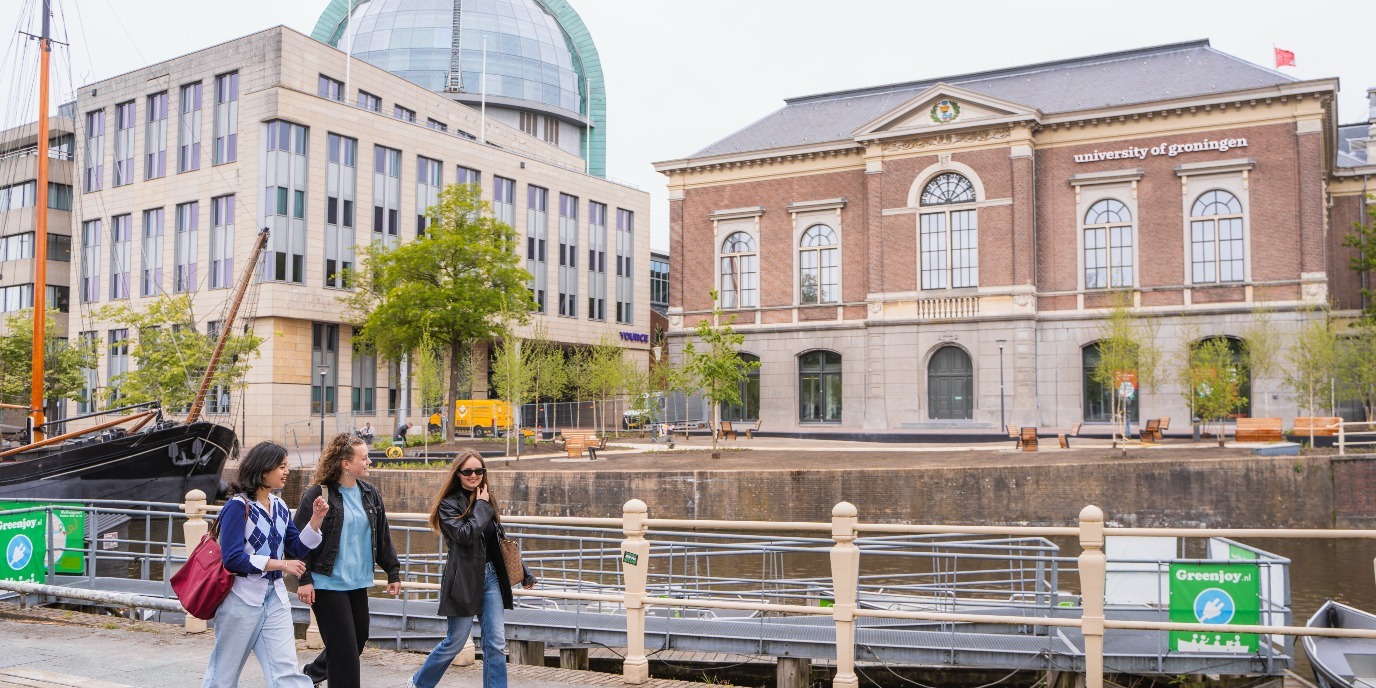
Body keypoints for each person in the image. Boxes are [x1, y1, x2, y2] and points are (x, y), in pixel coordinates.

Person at [202, 441, 328, 688]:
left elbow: (297, 548)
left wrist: (315, 521)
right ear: (262, 471)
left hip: (274, 600)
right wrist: (280, 565)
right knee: (223, 676)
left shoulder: (280, 506)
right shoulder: (238, 507)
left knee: (286, 673)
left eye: (286, 466)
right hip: (241, 599)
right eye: (281, 466)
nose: (286, 471)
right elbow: (233, 559)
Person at [409, 450, 535, 688]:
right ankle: (418, 683)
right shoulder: (449, 505)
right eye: (468, 471)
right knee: (454, 643)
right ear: (458, 474)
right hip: (463, 580)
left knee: (496, 642)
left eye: (479, 470)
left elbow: (498, 541)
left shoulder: (485, 499)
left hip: (492, 578)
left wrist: (524, 570)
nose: (474, 475)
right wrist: (481, 506)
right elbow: (465, 535)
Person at [295, 433, 402, 688]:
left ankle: (310, 675)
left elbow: (382, 535)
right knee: (344, 652)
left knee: (357, 639)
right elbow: (297, 541)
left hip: (357, 582)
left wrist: (393, 572)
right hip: (326, 582)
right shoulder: (317, 495)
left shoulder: (370, 494)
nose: (368, 463)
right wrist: (304, 579)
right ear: (345, 463)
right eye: (363, 458)